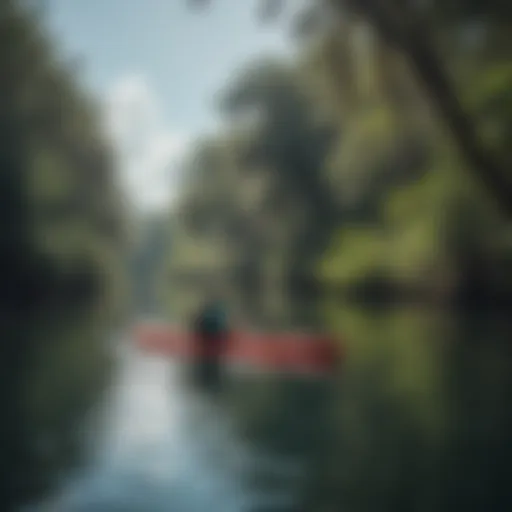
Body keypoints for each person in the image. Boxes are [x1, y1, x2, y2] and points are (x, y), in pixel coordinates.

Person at [192, 293, 229, 391]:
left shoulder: (207, 314)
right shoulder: (217, 314)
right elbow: (223, 329)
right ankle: (212, 378)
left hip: (208, 342)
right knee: (213, 362)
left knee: (206, 361)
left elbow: (198, 326)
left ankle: (207, 378)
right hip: (214, 342)